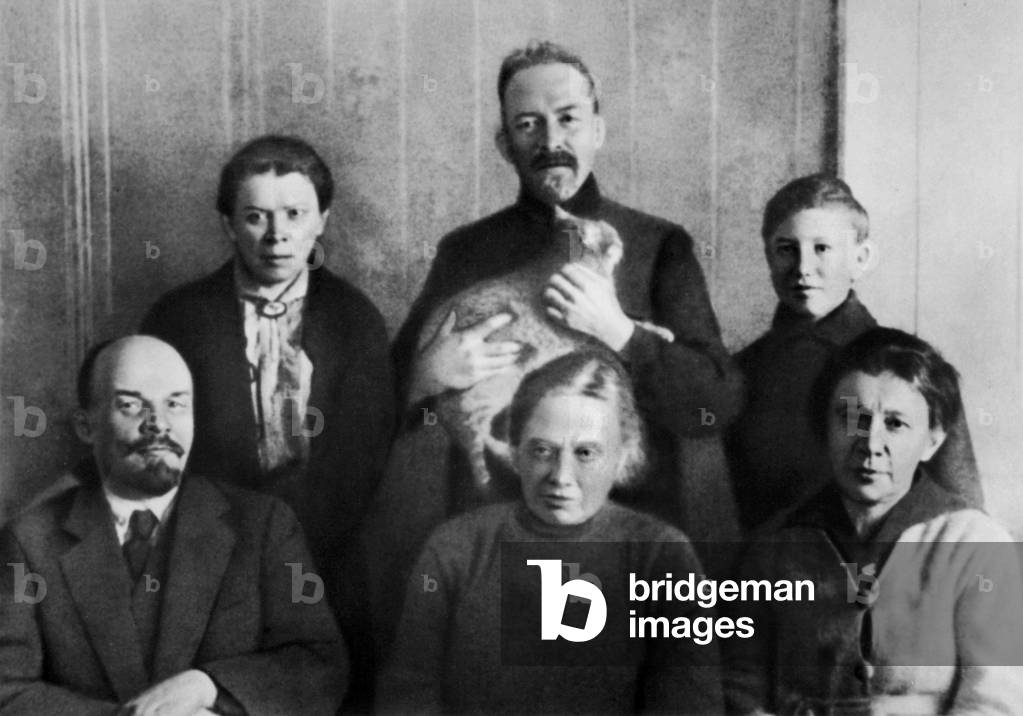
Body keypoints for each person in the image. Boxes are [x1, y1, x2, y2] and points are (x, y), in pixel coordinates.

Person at [388, 37, 741, 531]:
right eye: (527, 123)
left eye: (568, 118)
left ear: (598, 130)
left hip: (626, 540)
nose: (550, 140)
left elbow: (714, 404)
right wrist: (426, 373)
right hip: (494, 536)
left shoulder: (661, 245)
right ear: (505, 144)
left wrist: (619, 332)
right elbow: (381, 400)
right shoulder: (464, 252)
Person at [140, 135, 393, 704]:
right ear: (229, 224)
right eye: (255, 217)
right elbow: (158, 451)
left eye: (295, 214)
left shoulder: (355, 322)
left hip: (327, 564)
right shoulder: (178, 319)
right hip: (205, 565)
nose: (277, 236)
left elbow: (361, 462)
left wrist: (288, 553)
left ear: (322, 219)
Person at [0, 336, 345, 715]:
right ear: (86, 427)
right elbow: (7, 689)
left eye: (176, 404)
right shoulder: (30, 541)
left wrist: (209, 686)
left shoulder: (265, 526)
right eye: (131, 405)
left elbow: (321, 665)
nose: (158, 424)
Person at [377, 350, 724, 713]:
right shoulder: (455, 549)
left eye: (586, 453)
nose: (560, 477)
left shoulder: (663, 555)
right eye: (542, 450)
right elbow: (409, 692)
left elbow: (691, 703)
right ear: (515, 451)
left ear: (623, 456)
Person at [724, 328, 1023, 714]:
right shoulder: (774, 549)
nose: (869, 443)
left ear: (932, 440)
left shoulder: (975, 546)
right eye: (850, 418)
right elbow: (738, 686)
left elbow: (995, 702)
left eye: (895, 424)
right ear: (824, 427)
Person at [726, 174, 983, 533]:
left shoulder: (911, 370)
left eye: (822, 248)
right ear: (768, 256)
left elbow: (964, 515)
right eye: (787, 249)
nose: (803, 268)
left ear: (861, 258)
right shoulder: (740, 373)